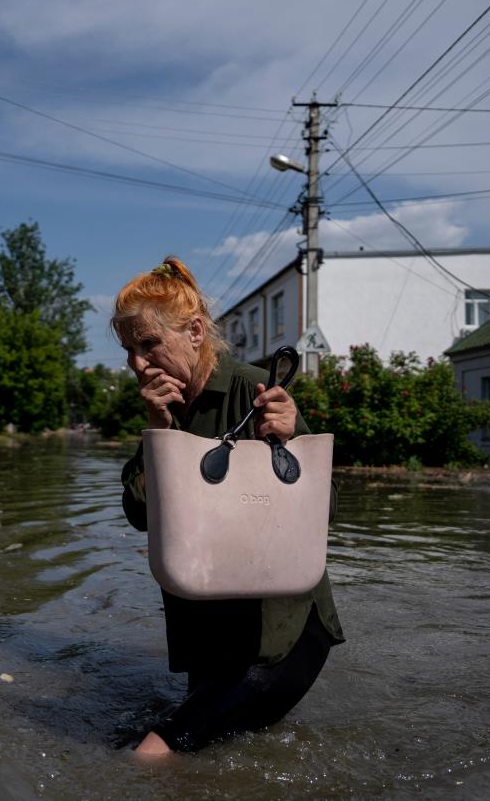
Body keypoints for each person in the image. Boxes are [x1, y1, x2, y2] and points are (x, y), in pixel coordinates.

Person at [114, 256, 344, 755]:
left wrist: (287, 437)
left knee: (153, 753)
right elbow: (139, 516)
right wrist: (158, 431)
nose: (137, 362)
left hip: (278, 636)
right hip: (209, 635)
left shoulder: (253, 388)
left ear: (195, 331)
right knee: (205, 756)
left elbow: (323, 510)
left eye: (149, 344)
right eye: (129, 349)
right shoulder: (167, 407)